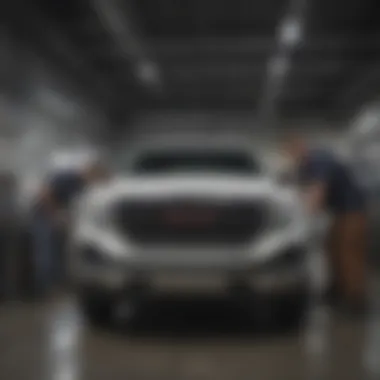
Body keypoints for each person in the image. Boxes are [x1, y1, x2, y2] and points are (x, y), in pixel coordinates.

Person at [282, 133, 368, 313]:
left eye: (292, 152)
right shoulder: (305, 165)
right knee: (332, 251)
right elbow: (297, 187)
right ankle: (337, 291)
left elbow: (318, 191)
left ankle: (355, 300)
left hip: (352, 211)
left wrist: (304, 217)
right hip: (339, 212)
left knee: (348, 254)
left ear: (300, 147)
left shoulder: (319, 159)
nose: (291, 157)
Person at [31, 160, 108, 297]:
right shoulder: (67, 177)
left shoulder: (85, 186)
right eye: (95, 178)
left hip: (62, 216)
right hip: (44, 214)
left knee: (62, 250)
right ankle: (44, 287)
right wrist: (54, 216)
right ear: (89, 172)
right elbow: (45, 194)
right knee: (46, 248)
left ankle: (60, 282)